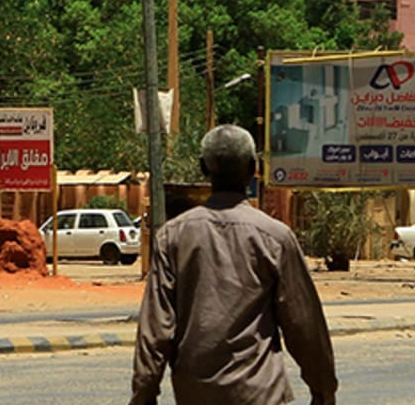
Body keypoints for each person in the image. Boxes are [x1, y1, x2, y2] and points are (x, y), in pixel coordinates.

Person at [130, 124, 337, 405]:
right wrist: (323, 388)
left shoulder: (173, 236)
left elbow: (156, 327)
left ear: (204, 168)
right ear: (253, 168)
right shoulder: (276, 237)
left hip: (196, 394)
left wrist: (144, 393)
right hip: (260, 393)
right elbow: (303, 324)